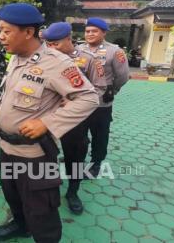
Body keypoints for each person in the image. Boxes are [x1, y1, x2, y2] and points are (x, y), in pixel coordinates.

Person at [0, 3, 99, 242]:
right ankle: (20, 225)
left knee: (41, 209)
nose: (1, 36)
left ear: (28, 32)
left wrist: (48, 123)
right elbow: (9, 88)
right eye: (0, 30)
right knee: (13, 195)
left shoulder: (57, 63)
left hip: (35, 154)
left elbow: (89, 98)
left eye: (6, 31)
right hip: (7, 148)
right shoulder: (16, 58)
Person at [42, 22, 107, 215]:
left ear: (69, 39)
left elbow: (100, 88)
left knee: (75, 155)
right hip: (46, 116)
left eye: (56, 43)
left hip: (73, 119)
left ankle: (72, 192)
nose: (51, 47)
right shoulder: (45, 58)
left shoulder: (89, 59)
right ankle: (47, 187)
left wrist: (72, 102)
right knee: (44, 153)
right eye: (49, 43)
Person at [77, 17, 130, 178]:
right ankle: (75, 158)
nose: (90, 34)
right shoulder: (78, 49)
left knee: (99, 135)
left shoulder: (115, 51)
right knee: (78, 133)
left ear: (103, 33)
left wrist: (111, 90)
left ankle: (95, 165)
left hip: (101, 103)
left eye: (94, 31)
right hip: (79, 101)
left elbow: (123, 76)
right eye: (87, 31)